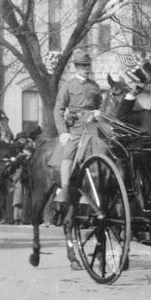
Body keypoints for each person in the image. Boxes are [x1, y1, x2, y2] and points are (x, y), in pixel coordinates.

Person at [53, 49, 102, 208]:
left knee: (100, 152)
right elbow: (58, 111)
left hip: (92, 126)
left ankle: (92, 191)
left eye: (87, 66)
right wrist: (63, 132)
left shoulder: (94, 86)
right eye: (82, 66)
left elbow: (100, 105)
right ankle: (65, 188)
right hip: (75, 127)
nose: (86, 69)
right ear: (76, 67)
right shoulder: (68, 86)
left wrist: (98, 113)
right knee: (68, 153)